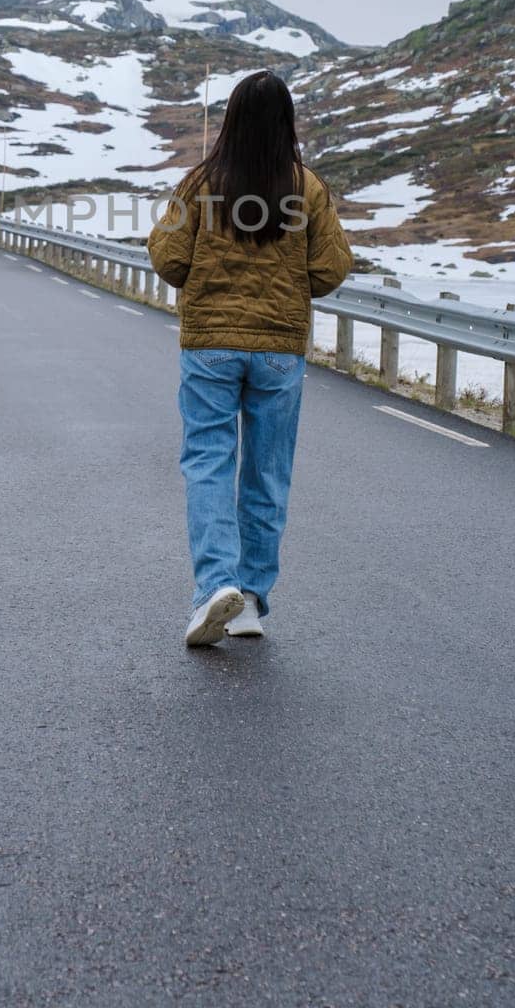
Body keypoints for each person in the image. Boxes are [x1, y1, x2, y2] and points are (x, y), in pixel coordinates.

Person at [147, 69, 352, 648]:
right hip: (279, 351)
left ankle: (215, 585)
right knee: (267, 471)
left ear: (231, 119)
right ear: (286, 122)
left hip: (209, 345)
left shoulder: (200, 184)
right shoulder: (307, 188)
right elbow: (330, 269)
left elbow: (168, 260)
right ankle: (252, 601)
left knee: (209, 462)